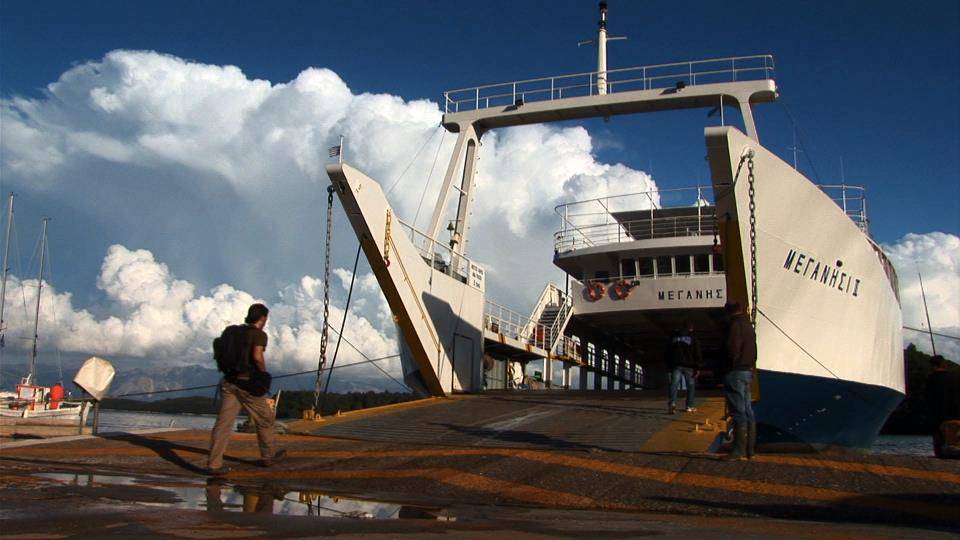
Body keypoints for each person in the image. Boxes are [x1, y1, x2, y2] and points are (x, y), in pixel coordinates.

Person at [207, 303, 285, 475]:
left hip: (229, 382)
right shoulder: (259, 335)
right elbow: (257, 356)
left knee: (223, 424)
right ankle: (268, 456)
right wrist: (263, 374)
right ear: (263, 318)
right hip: (247, 384)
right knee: (265, 418)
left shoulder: (234, 332)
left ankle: (213, 464)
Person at [722, 301, 757, 461]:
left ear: (728, 312)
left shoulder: (734, 325)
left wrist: (728, 366)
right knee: (748, 409)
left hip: (735, 371)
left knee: (738, 410)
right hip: (747, 370)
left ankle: (738, 451)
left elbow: (732, 348)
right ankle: (750, 450)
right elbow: (754, 350)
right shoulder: (749, 326)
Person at [925, 355, 960, 458]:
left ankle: (940, 454)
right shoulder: (954, 377)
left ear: (932, 366)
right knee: (955, 438)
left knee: (938, 438)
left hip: (937, 414)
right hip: (955, 413)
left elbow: (928, 397)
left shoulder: (931, 379)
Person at [667, 321, 702, 414]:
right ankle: (689, 406)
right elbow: (697, 353)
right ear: (691, 328)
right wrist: (698, 367)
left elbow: (668, 352)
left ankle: (672, 403)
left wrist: (669, 367)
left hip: (676, 365)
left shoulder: (674, 338)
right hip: (689, 366)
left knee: (674, 385)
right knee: (690, 386)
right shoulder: (693, 338)